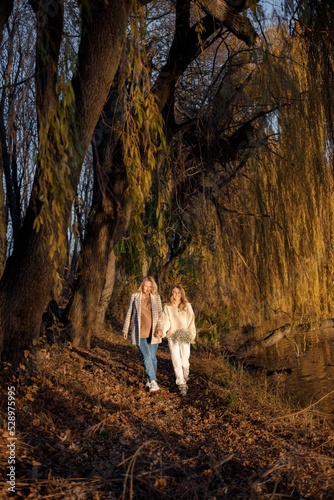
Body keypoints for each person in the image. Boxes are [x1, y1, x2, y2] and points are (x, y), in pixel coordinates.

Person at [122, 276, 164, 392]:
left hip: (153, 333)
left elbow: (160, 315)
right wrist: (125, 329)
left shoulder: (156, 298)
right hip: (139, 332)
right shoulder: (135, 297)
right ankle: (153, 381)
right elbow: (129, 313)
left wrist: (160, 328)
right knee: (146, 356)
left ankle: (149, 380)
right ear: (142, 285)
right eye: (146, 286)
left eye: (150, 287)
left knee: (153, 358)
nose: (148, 289)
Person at [163, 285, 196, 396]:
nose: (176, 295)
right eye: (174, 292)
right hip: (172, 336)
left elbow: (191, 322)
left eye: (178, 293)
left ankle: (185, 373)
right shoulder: (167, 307)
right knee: (176, 360)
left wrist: (192, 336)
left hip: (185, 335)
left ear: (182, 294)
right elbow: (166, 321)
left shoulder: (187, 306)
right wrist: (162, 331)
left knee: (184, 360)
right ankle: (181, 383)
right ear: (171, 293)